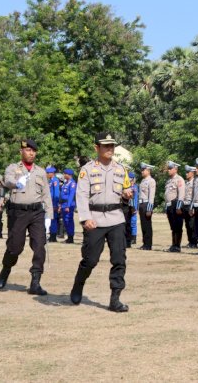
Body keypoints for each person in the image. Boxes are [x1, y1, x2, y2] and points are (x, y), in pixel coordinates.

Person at [70, 132, 133, 312]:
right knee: (90, 260)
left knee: (119, 259)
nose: (109, 149)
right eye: (106, 146)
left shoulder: (121, 169)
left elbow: (127, 190)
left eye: (112, 146)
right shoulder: (87, 170)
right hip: (94, 219)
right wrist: (85, 218)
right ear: (96, 148)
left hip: (116, 218)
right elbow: (81, 195)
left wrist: (128, 194)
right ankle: (78, 284)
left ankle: (115, 298)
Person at [0, 139, 53, 296]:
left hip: (36, 212)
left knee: (40, 246)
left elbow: (46, 194)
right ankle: (6, 269)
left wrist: (49, 216)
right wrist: (16, 183)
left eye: (33, 151)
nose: (31, 153)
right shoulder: (13, 168)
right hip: (18, 212)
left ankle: (35, 282)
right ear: (21, 152)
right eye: (28, 150)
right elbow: (7, 180)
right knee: (15, 247)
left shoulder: (41, 172)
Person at [164, 161, 185, 252]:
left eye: (170, 168)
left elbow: (181, 194)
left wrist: (179, 207)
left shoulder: (179, 179)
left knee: (178, 226)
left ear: (175, 169)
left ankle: (177, 246)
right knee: (173, 227)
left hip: (176, 205)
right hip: (169, 205)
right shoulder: (169, 181)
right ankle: (173, 245)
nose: (168, 170)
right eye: (168, 168)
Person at [137, 162, 157, 250]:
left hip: (146, 205)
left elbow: (151, 196)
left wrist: (149, 209)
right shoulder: (143, 181)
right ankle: (144, 243)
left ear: (148, 171)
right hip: (141, 204)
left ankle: (148, 244)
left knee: (147, 225)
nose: (142, 171)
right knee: (143, 225)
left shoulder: (151, 181)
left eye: (143, 170)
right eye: (141, 170)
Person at [183, 165, 198, 249]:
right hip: (185, 204)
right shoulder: (186, 183)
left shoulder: (195, 182)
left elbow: (195, 196)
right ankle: (190, 241)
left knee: (192, 224)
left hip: (191, 205)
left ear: (192, 173)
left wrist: (192, 207)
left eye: (187, 172)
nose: (186, 174)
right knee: (187, 225)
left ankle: (194, 242)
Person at [60, 169, 77, 244]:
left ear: (68, 174)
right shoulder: (65, 183)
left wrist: (68, 206)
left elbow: (71, 195)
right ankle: (68, 237)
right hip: (63, 204)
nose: (64, 175)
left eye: (65, 174)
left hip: (68, 204)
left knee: (69, 220)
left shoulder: (72, 183)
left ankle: (71, 238)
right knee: (65, 221)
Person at [47, 166, 62, 242]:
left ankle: (53, 236)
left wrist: (56, 204)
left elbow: (56, 193)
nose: (47, 174)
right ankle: (51, 235)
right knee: (51, 219)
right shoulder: (50, 181)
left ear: (52, 173)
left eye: (48, 173)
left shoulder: (55, 180)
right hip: (50, 203)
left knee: (53, 220)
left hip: (54, 203)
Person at [123, 171, 139, 248]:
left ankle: (132, 238)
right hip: (127, 207)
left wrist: (134, 207)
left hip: (131, 207)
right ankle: (128, 239)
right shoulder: (128, 186)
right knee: (127, 223)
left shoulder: (134, 187)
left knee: (132, 223)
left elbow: (132, 198)